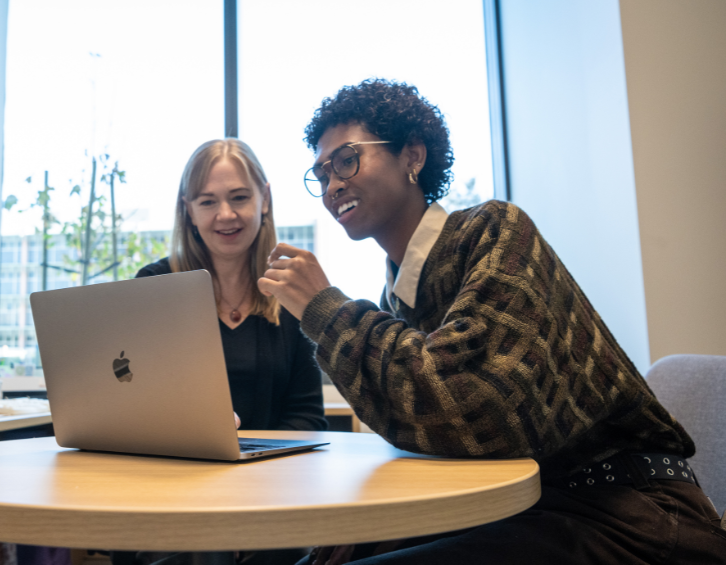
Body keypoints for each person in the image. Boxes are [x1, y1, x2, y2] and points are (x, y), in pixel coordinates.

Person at [257, 79, 726, 564]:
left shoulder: (497, 232)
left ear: (412, 155)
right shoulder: (397, 298)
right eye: (322, 172)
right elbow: (437, 438)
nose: (332, 184)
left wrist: (326, 309)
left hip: (632, 512)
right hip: (530, 507)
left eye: (347, 159)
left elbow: (470, 403)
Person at [119, 139, 327, 565]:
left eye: (239, 198)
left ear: (264, 200)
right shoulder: (153, 287)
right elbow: (129, 409)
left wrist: (248, 491)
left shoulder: (292, 291)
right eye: (208, 201)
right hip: (171, 497)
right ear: (188, 210)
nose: (226, 215)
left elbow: (307, 418)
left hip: (270, 498)